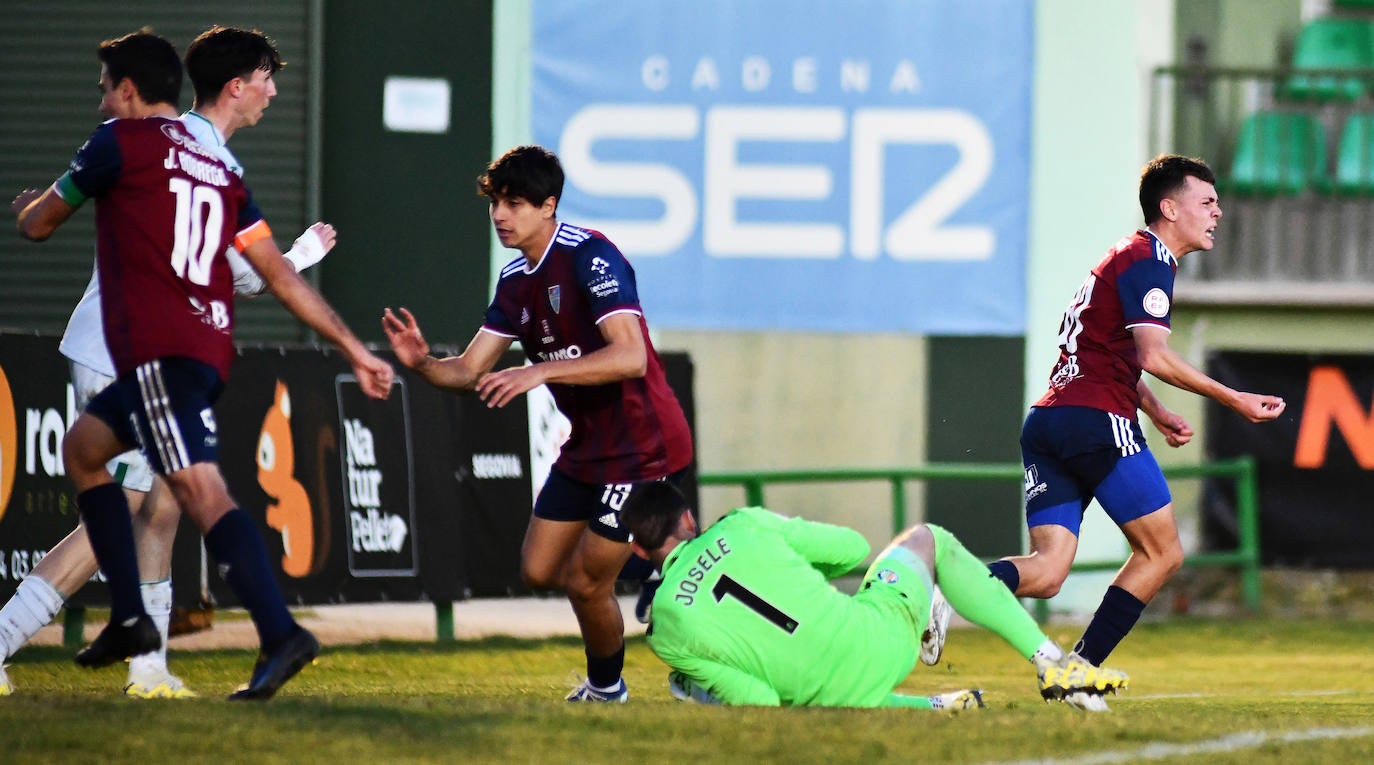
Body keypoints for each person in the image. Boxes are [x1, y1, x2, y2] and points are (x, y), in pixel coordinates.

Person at [12, 29, 393, 700]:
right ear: (236, 85)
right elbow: (249, 275)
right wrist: (303, 259)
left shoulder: (161, 148)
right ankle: (31, 637)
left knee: (163, 506)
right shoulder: (198, 158)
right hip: (131, 352)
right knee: (147, 505)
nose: (274, 91)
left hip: (160, 352)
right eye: (266, 78)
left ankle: (149, 659)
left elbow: (48, 221)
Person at [382, 145, 694, 703]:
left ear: (549, 205)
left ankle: (610, 685)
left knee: (586, 581)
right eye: (496, 203)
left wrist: (538, 370)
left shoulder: (590, 257)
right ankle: (667, 559)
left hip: (639, 443)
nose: (501, 215)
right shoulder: (515, 279)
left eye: (516, 203)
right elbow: (469, 369)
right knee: (538, 568)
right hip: (588, 448)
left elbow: (631, 358)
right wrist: (424, 363)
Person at [985, 154, 1286, 681]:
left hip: (1050, 420)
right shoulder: (1151, 260)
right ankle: (1080, 668)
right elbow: (1152, 354)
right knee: (1163, 552)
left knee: (1049, 571)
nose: (1219, 212)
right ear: (1170, 208)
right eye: (1208, 202)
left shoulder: (1124, 255)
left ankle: (938, 590)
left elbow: (1109, 354)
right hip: (1097, 420)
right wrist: (1233, 397)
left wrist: (1157, 409)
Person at [619, 481, 1129, 709]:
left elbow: (759, 703)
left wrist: (698, 693)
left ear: (641, 553)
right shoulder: (746, 524)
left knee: (710, 686)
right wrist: (796, 564)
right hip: (879, 642)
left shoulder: (664, 630)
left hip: (826, 694)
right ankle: (1050, 661)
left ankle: (928, 701)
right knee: (929, 537)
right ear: (689, 519)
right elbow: (852, 549)